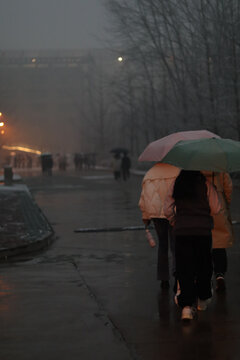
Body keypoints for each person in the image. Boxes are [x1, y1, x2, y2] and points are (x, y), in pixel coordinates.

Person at [164, 170, 221, 321]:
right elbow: (216, 208)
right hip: (203, 231)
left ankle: (187, 307)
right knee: (204, 265)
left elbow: (167, 208)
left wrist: (174, 220)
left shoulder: (177, 183)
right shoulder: (206, 184)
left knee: (184, 267)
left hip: (182, 231)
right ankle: (202, 299)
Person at [139, 162, 180, 289]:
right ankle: (177, 274)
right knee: (176, 245)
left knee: (162, 245)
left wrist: (146, 217)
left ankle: (163, 278)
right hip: (174, 212)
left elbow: (144, 199)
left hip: (156, 215)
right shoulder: (178, 171)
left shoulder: (150, 175)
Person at [203, 171, 234, 292]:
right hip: (219, 207)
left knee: (203, 244)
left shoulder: (195, 167)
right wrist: (226, 203)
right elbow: (228, 187)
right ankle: (220, 274)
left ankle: (205, 276)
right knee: (219, 244)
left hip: (202, 208)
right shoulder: (220, 168)